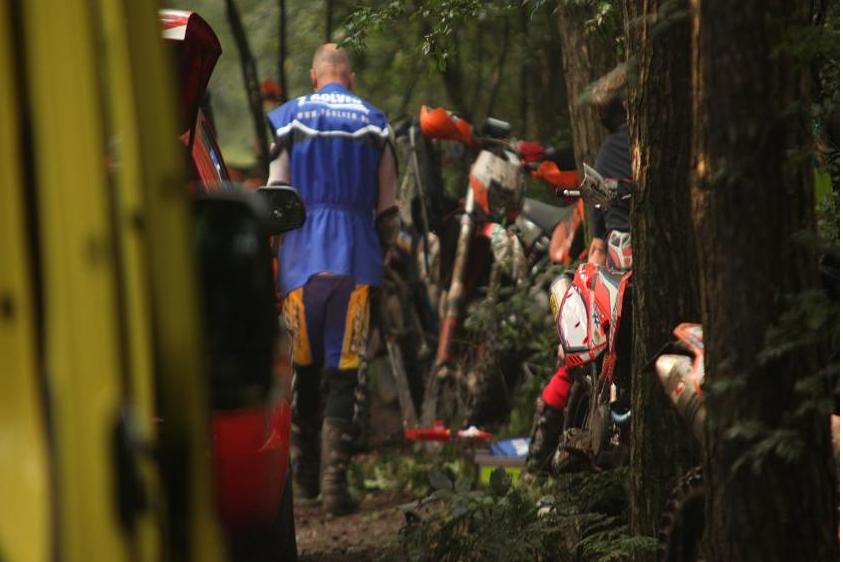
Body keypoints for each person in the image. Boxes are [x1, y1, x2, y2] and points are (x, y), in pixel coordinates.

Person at [266, 43, 398, 515]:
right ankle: (335, 487)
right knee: (344, 373)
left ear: (313, 75)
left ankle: (303, 484)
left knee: (303, 372)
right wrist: (389, 254)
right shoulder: (374, 122)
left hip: (301, 261)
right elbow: (388, 209)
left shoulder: (289, 119)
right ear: (352, 77)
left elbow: (276, 191)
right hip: (357, 260)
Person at [525, 68, 632, 477]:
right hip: (623, 278)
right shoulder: (634, 147)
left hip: (615, 275)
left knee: (574, 361)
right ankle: (541, 461)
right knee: (579, 357)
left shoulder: (609, 152)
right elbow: (601, 239)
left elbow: (600, 240)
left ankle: (537, 466)